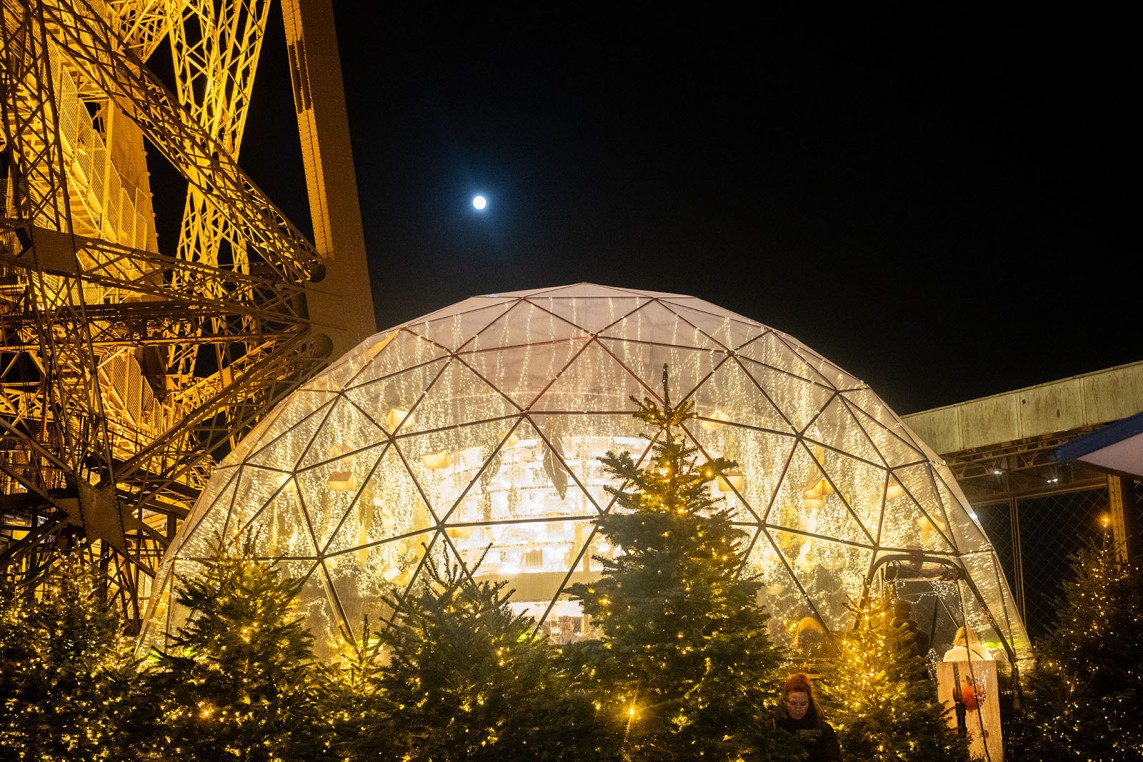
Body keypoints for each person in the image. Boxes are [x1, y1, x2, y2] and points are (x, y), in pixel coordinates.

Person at [774, 672, 843, 761]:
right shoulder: (775, 727)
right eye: (793, 703)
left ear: (809, 704)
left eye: (803, 704)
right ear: (785, 702)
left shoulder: (823, 730)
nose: (798, 709)